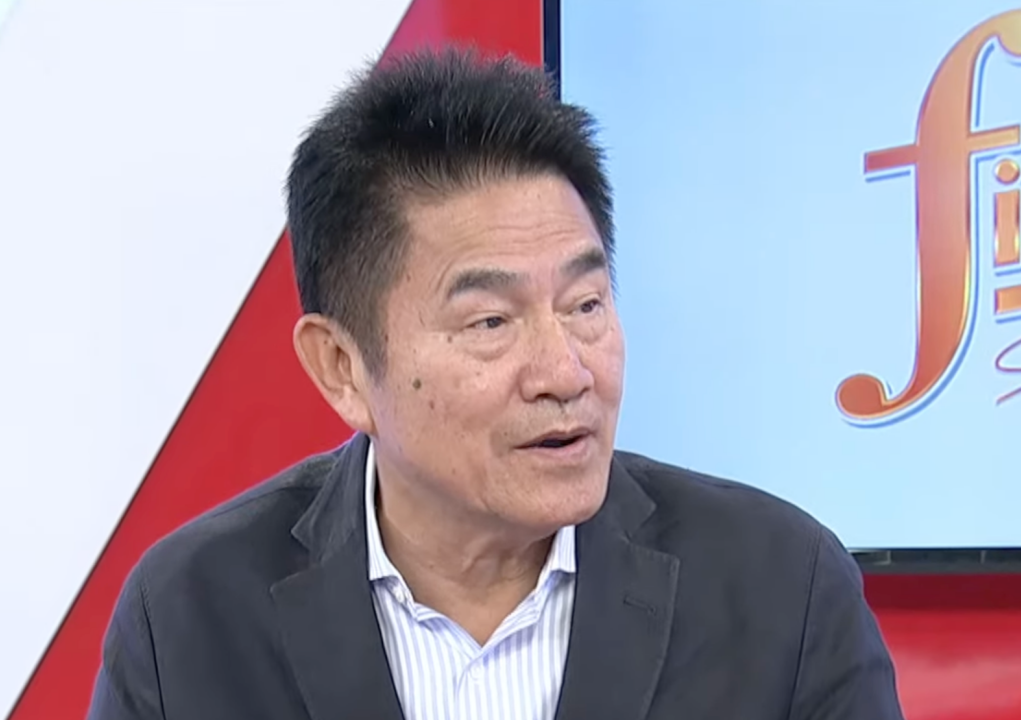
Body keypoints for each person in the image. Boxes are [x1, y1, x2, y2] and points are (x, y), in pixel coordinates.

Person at [86, 49, 905, 720]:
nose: (566, 371)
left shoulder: (781, 592)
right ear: (341, 367)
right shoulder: (190, 619)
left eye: (585, 304)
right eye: (490, 323)